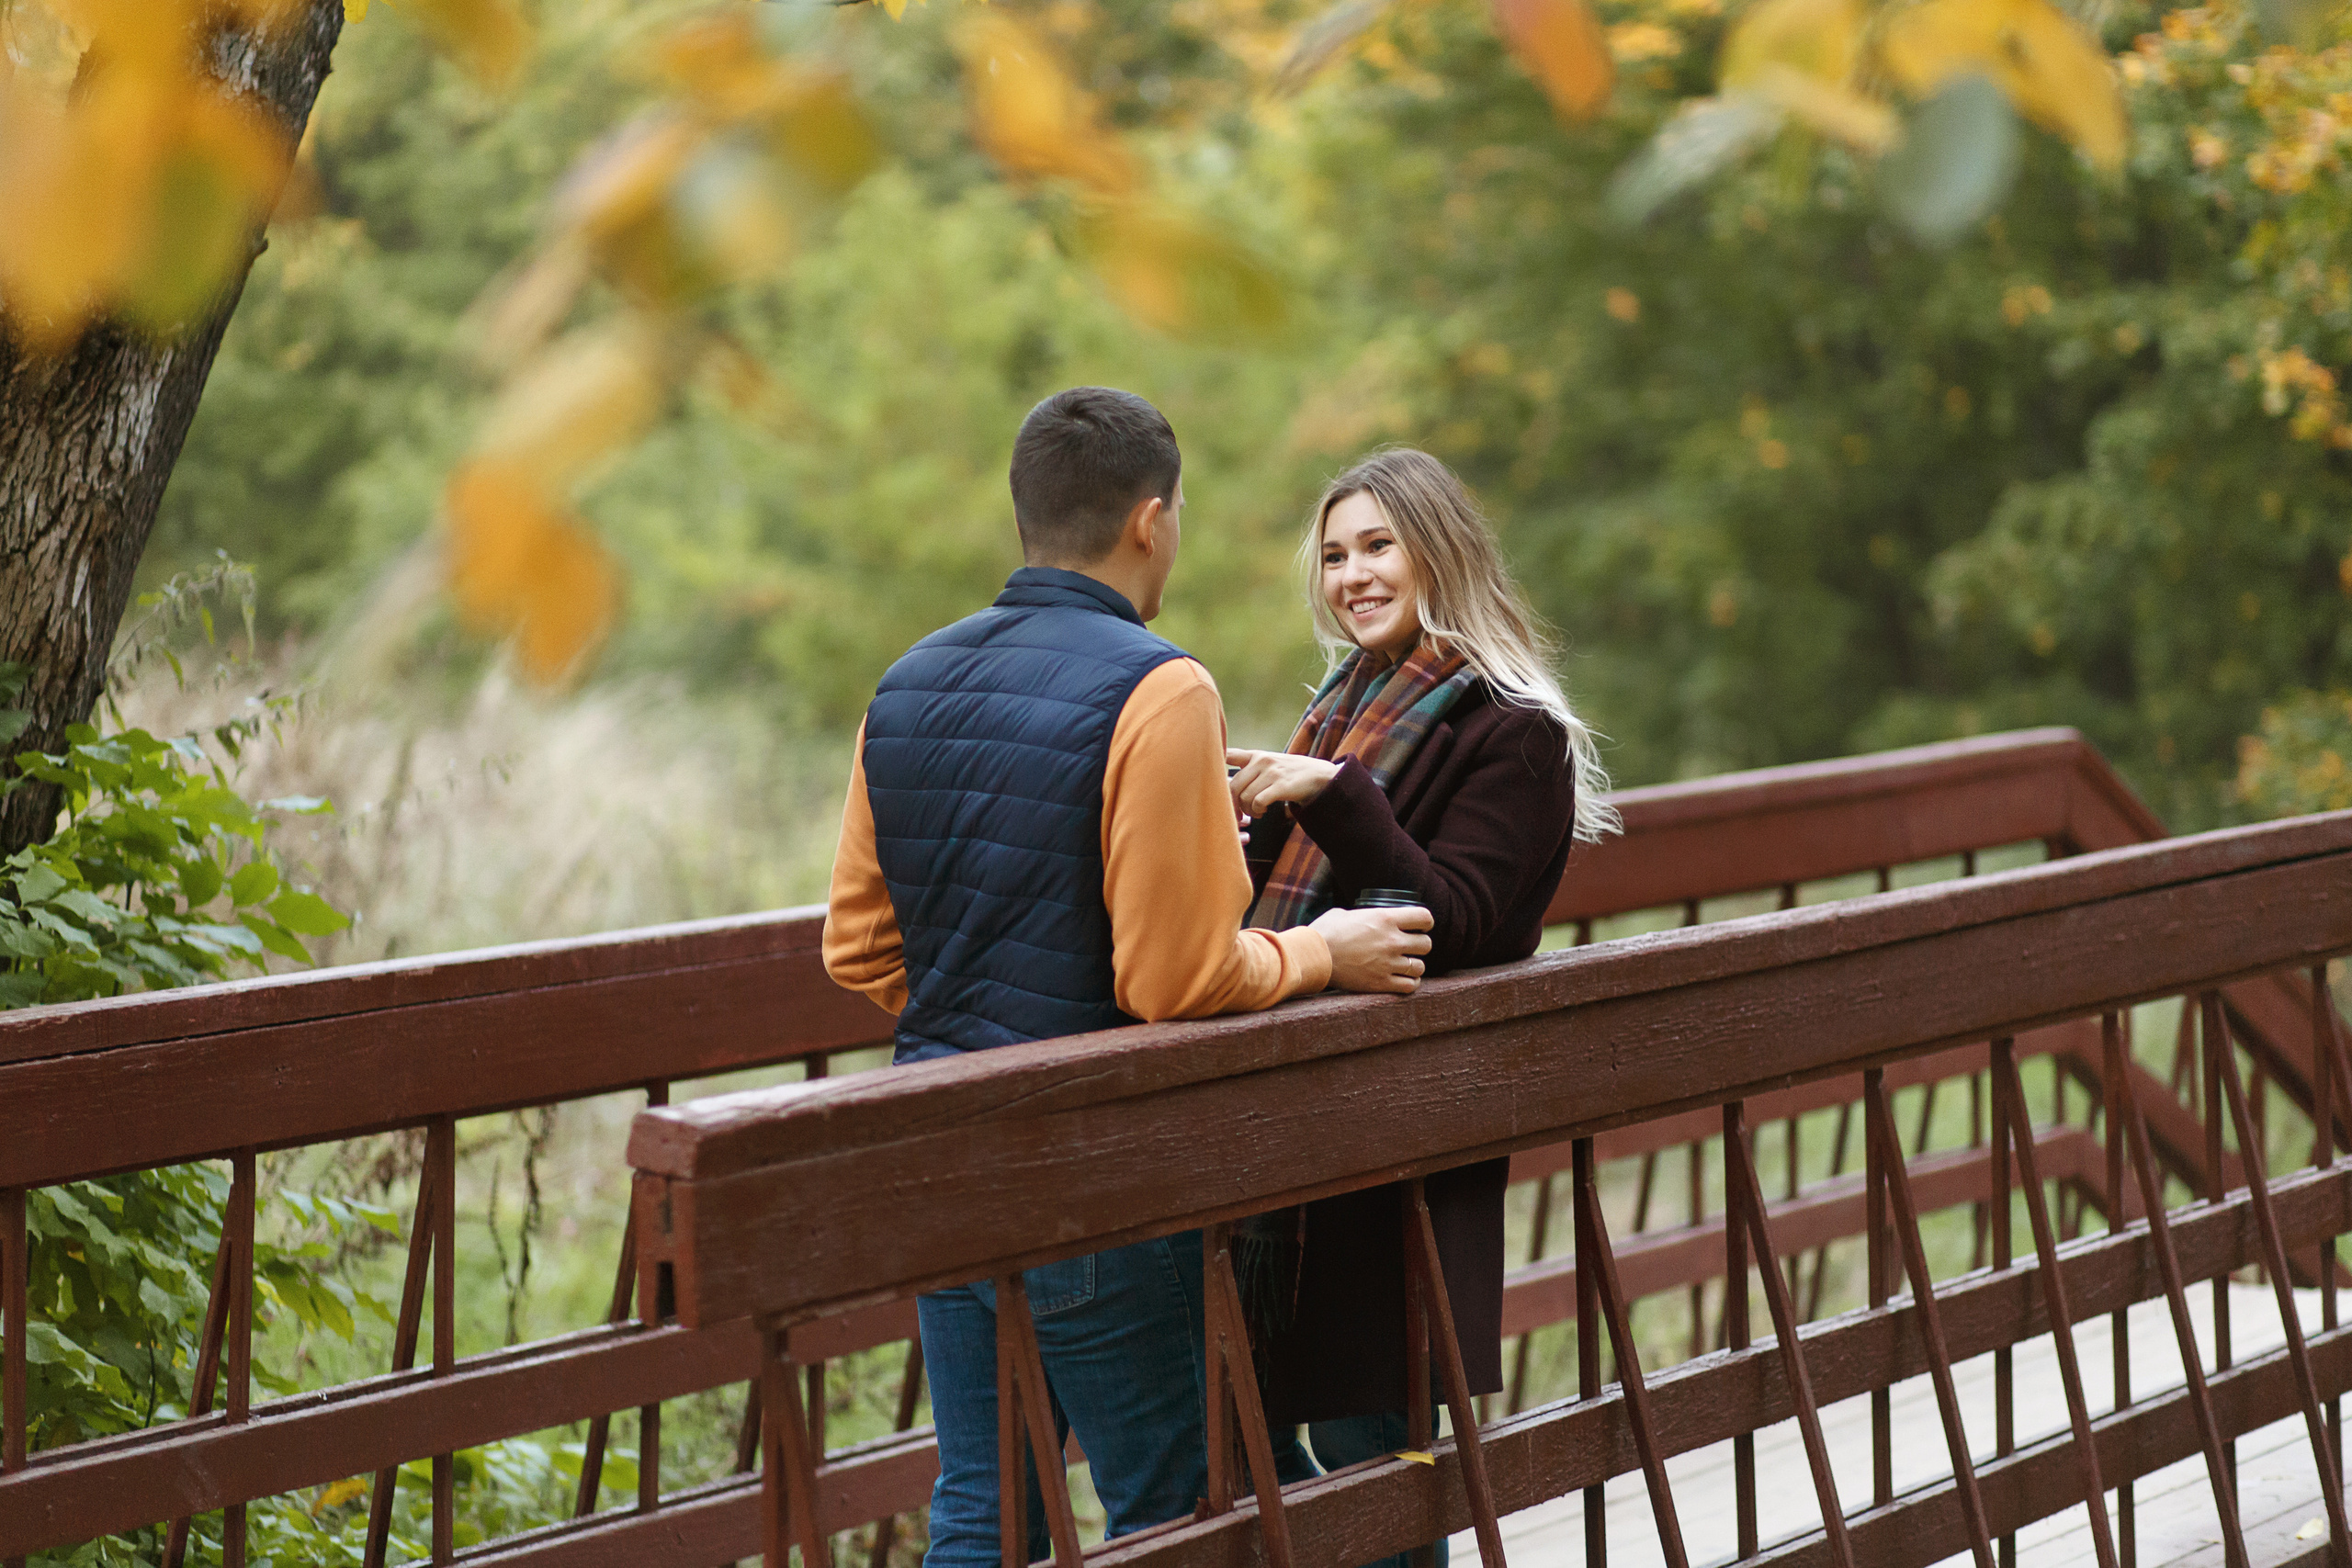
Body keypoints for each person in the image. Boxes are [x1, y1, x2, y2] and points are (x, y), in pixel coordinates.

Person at [821, 388, 1439, 1566]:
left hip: (942, 1146)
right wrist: (1324, 951)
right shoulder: (1161, 688)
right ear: (1151, 520)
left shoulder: (902, 683)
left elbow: (857, 947)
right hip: (1096, 1168)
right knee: (1172, 1513)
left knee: (985, 1507)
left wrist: (988, 1011)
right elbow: (1174, 979)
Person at [1227, 446, 1618, 1562]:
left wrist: (1333, 796)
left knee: (1375, 1464)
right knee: (1238, 1441)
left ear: (1438, 552)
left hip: (1399, 1151)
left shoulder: (1515, 732)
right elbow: (1284, 903)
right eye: (1334, 555)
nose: (1352, 575)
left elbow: (1457, 922)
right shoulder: (1339, 709)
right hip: (1284, 1138)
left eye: (1377, 546)